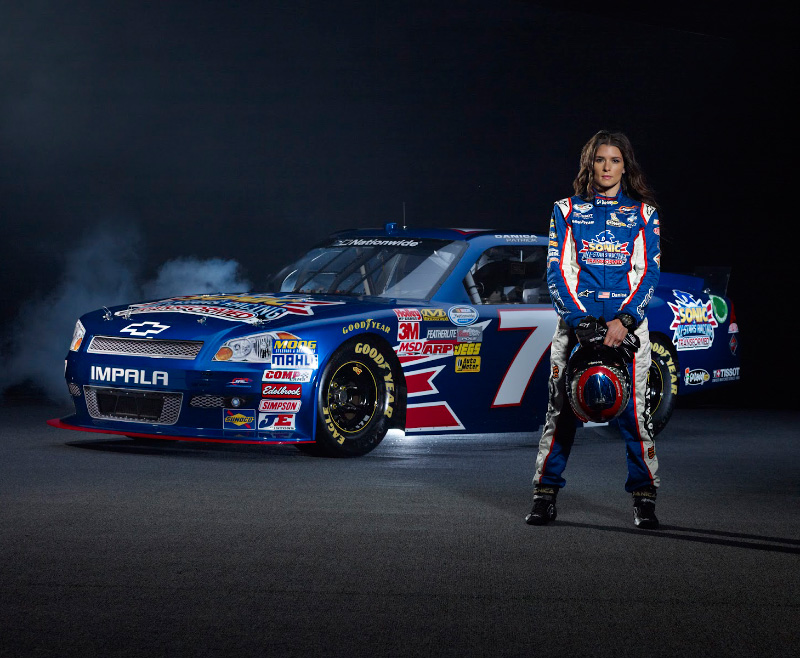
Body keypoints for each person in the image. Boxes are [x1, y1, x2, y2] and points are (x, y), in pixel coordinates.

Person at [526, 130, 661, 529]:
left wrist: (626, 319)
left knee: (635, 415)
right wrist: (578, 320)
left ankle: (645, 499)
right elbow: (557, 270)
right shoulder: (565, 210)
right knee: (561, 411)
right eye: (600, 159)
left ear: (625, 166)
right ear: (590, 163)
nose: (607, 167)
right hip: (576, 326)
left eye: (615, 160)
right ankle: (544, 495)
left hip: (627, 329)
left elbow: (648, 272)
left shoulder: (644, 213)